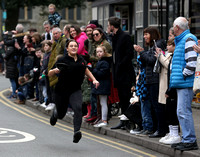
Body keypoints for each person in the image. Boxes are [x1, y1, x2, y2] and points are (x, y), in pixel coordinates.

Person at [48, 39, 99, 143]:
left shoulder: (81, 60)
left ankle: (77, 132)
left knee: (78, 108)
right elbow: (49, 73)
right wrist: (54, 71)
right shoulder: (62, 59)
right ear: (67, 49)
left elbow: (86, 70)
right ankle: (55, 114)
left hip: (75, 89)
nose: (73, 48)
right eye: (71, 46)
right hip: (61, 90)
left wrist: (94, 80)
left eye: (75, 46)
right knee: (61, 114)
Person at [170, 17, 198, 151]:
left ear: (177, 27)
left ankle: (190, 140)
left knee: (183, 111)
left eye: (173, 26)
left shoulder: (188, 39)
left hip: (185, 82)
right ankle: (187, 139)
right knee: (181, 111)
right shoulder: (184, 39)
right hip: (182, 82)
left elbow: (192, 62)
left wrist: (183, 75)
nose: (172, 29)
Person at [134, 27, 167, 137]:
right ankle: (156, 129)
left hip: (155, 80)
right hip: (150, 80)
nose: (144, 37)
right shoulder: (153, 46)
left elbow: (151, 61)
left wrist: (141, 52)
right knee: (153, 106)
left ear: (152, 34)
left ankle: (160, 130)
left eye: (146, 34)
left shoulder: (158, 45)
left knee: (157, 106)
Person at [107, 16, 135, 130]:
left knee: (126, 98)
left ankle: (129, 122)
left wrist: (119, 65)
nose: (108, 27)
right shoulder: (115, 37)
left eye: (108, 25)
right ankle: (123, 122)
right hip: (117, 73)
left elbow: (129, 54)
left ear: (112, 26)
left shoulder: (125, 36)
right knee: (122, 99)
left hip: (125, 73)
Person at [155, 38, 181, 145]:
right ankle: (171, 133)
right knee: (169, 110)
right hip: (169, 85)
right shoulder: (171, 56)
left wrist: (160, 56)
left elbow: (170, 68)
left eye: (170, 45)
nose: (167, 47)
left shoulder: (174, 56)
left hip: (173, 86)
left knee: (173, 111)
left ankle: (175, 134)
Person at [47, 27, 67, 111]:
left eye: (56, 33)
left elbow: (65, 53)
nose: (55, 35)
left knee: (59, 88)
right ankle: (54, 103)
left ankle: (59, 105)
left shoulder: (63, 41)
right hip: (56, 65)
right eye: (53, 34)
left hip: (61, 66)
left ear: (60, 32)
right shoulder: (57, 42)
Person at [92, 45, 112, 127]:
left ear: (104, 52)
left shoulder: (104, 62)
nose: (99, 53)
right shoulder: (101, 61)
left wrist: (93, 70)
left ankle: (104, 120)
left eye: (100, 52)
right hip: (101, 85)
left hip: (103, 84)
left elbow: (101, 74)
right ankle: (102, 119)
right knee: (101, 102)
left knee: (103, 102)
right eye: (97, 52)